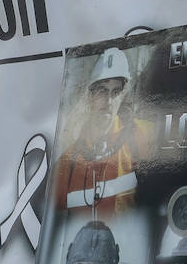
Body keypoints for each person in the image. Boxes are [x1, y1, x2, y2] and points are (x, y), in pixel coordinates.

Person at [50, 47, 153, 221]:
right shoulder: (68, 162)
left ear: (122, 95)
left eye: (115, 91)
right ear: (90, 95)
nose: (109, 101)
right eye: (102, 91)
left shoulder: (141, 137)